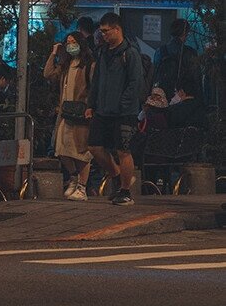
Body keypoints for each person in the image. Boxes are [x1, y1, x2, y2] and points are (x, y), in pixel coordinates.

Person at [87, 12, 144, 206]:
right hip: (103, 110)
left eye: (105, 31)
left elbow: (135, 83)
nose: (102, 35)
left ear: (117, 29)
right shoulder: (103, 52)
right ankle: (117, 175)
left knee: (123, 151)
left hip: (124, 112)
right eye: (101, 31)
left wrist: (122, 104)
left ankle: (126, 191)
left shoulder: (130, 53)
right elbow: (97, 80)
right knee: (94, 146)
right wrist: (91, 104)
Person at [44, 31, 94, 200]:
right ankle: (74, 177)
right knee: (61, 148)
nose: (70, 45)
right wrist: (53, 54)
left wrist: (91, 107)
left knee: (81, 150)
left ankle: (82, 186)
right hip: (65, 113)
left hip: (81, 112)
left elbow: (94, 88)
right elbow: (48, 74)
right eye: (68, 43)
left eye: (74, 42)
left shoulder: (88, 65)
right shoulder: (66, 65)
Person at [153, 18, 201, 101]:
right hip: (184, 98)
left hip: (163, 98)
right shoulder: (190, 52)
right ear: (185, 33)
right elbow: (196, 78)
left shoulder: (160, 51)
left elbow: (155, 74)